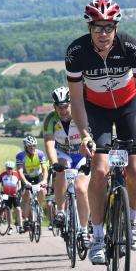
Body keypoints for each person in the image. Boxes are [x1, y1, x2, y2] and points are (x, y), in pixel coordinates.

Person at [66, 0, 136, 264]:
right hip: (95, 110)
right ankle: (98, 236)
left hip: (129, 107)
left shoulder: (131, 47)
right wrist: (84, 135)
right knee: (99, 171)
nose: (103, 34)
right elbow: (76, 100)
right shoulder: (77, 52)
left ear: (116, 27)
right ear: (89, 28)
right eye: (97, 27)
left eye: (108, 27)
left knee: (135, 170)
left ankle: (133, 220)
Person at [43, 86, 91, 247]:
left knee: (81, 189)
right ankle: (61, 211)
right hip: (63, 153)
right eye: (59, 107)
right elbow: (49, 142)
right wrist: (53, 162)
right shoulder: (50, 119)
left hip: (81, 154)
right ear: (54, 106)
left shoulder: (81, 115)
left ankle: (84, 230)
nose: (63, 110)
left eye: (66, 106)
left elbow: (90, 137)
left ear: (71, 104)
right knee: (61, 168)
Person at [15, 136, 49, 234]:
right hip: (26, 177)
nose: (32, 148)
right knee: (26, 195)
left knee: (42, 191)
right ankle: (26, 219)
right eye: (30, 147)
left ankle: (39, 208)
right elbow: (20, 171)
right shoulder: (20, 156)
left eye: (34, 146)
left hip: (37, 176)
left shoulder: (40, 154)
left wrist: (45, 180)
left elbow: (44, 169)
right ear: (25, 147)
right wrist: (25, 182)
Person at [0, 160, 23, 235]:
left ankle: (20, 226)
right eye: (8, 168)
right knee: (8, 211)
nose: (9, 170)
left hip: (14, 194)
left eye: (11, 168)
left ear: (13, 168)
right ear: (6, 168)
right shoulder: (2, 175)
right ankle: (10, 227)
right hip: (6, 195)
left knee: (18, 209)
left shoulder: (16, 174)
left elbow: (19, 184)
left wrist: (18, 189)